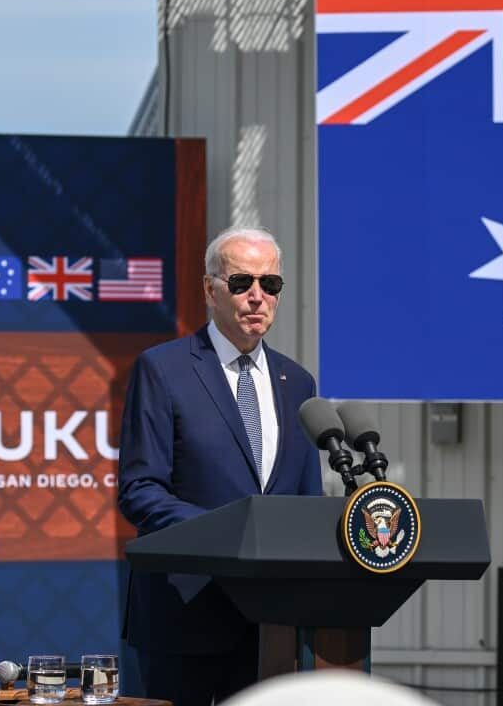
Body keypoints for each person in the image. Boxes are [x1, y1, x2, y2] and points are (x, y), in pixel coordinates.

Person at [117, 228, 323, 706]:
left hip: (272, 624)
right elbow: (140, 489)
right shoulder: (162, 369)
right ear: (210, 290)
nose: (257, 297)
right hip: (184, 612)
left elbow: (307, 499)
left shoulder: (299, 383)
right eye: (241, 283)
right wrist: (230, 536)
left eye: (270, 284)